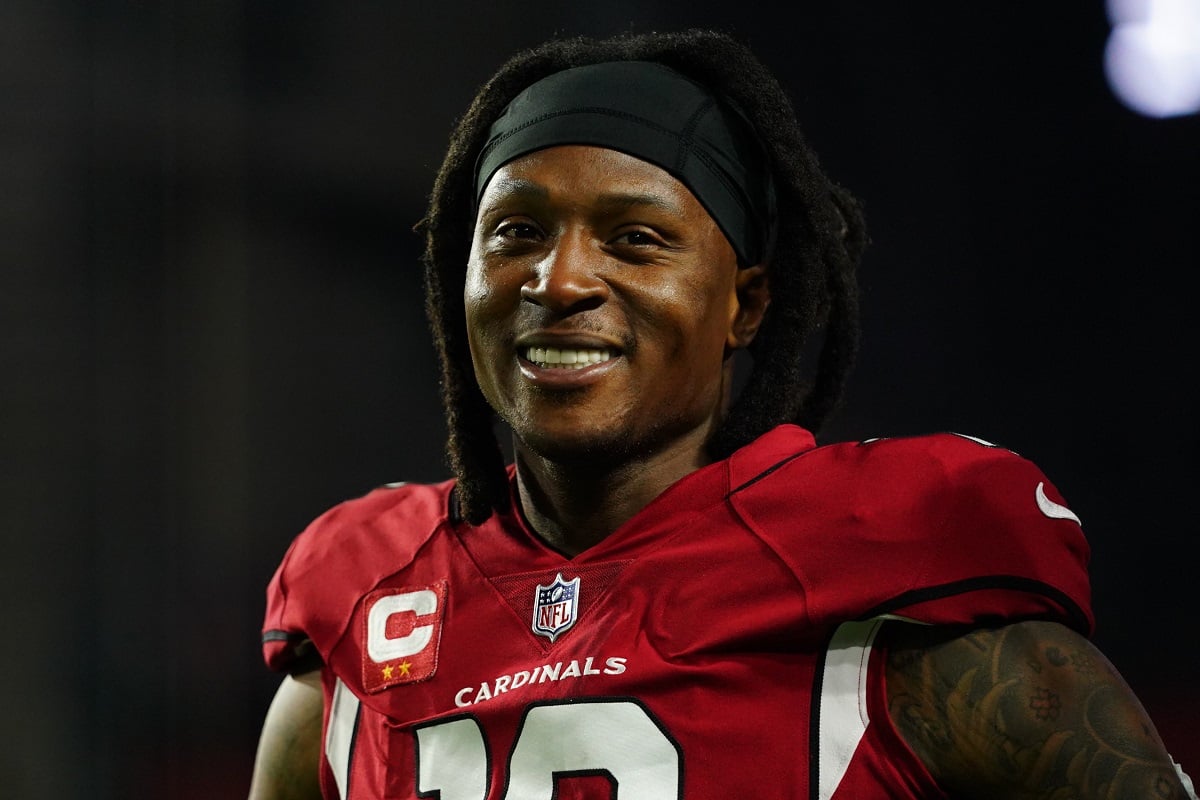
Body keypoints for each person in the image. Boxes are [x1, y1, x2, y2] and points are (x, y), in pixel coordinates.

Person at [247, 27, 1196, 800]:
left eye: (636, 239)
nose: (561, 280)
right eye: (518, 234)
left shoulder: (892, 574)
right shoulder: (364, 598)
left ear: (744, 304)